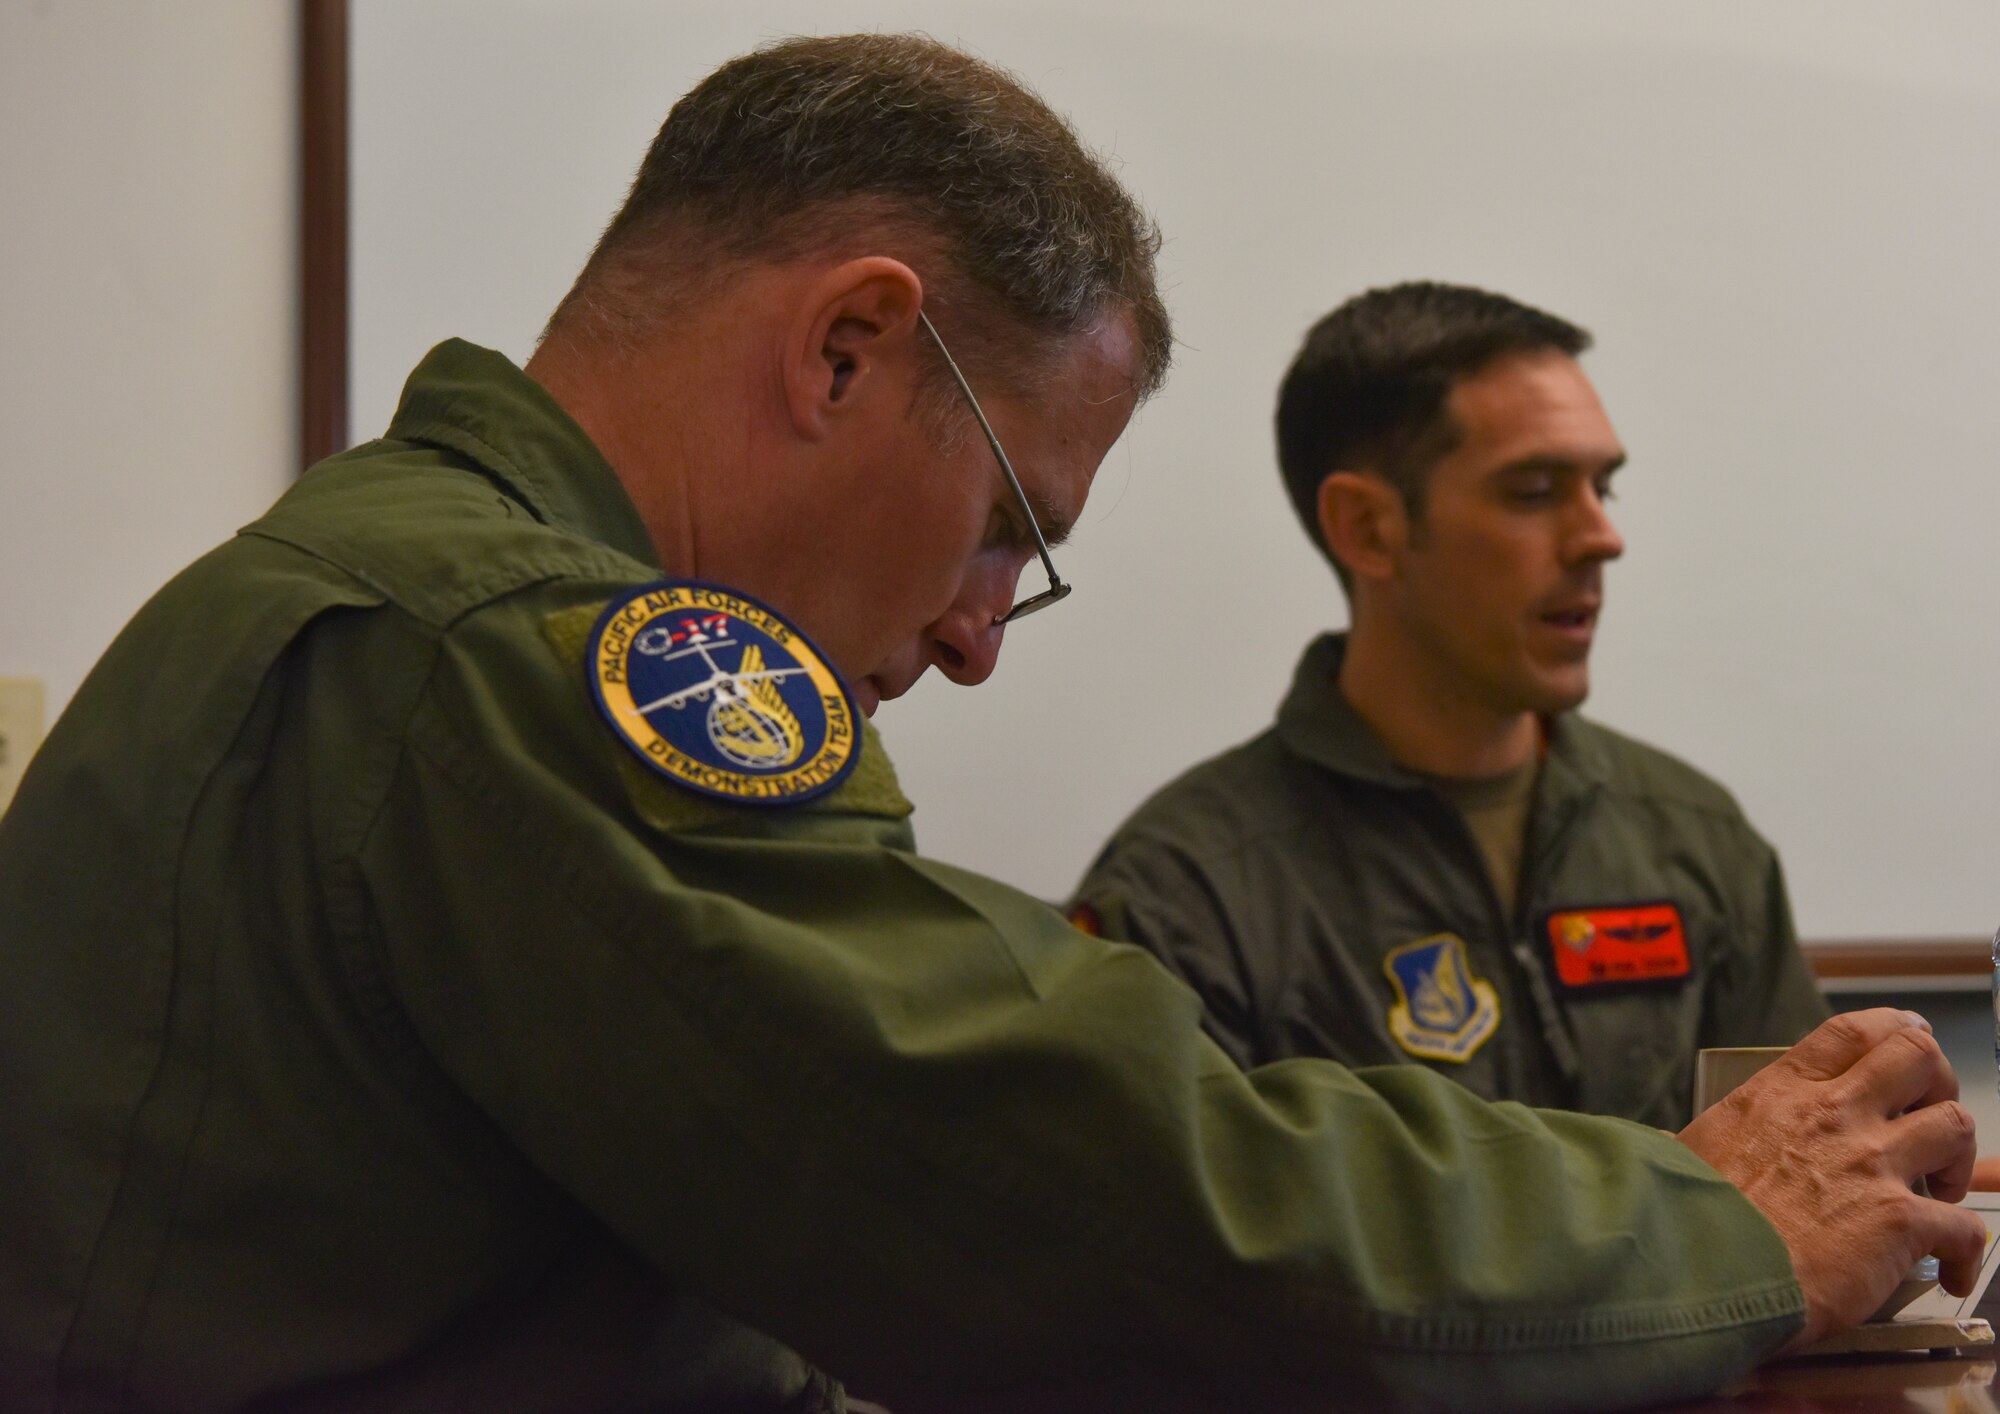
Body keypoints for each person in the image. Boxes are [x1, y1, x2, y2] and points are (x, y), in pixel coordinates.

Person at [0, 36, 1979, 1414]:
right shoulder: (526, 648)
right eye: (1008, 527)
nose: (973, 643)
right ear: (847, 346)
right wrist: (1711, 1222)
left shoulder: (393, 589)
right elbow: (1107, 1198)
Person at [1068, 282, 1828, 1130]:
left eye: (1601, 489)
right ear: (1368, 528)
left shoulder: (1695, 840)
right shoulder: (1191, 895)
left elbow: (1811, 1180)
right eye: (1535, 491)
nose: (1600, 538)